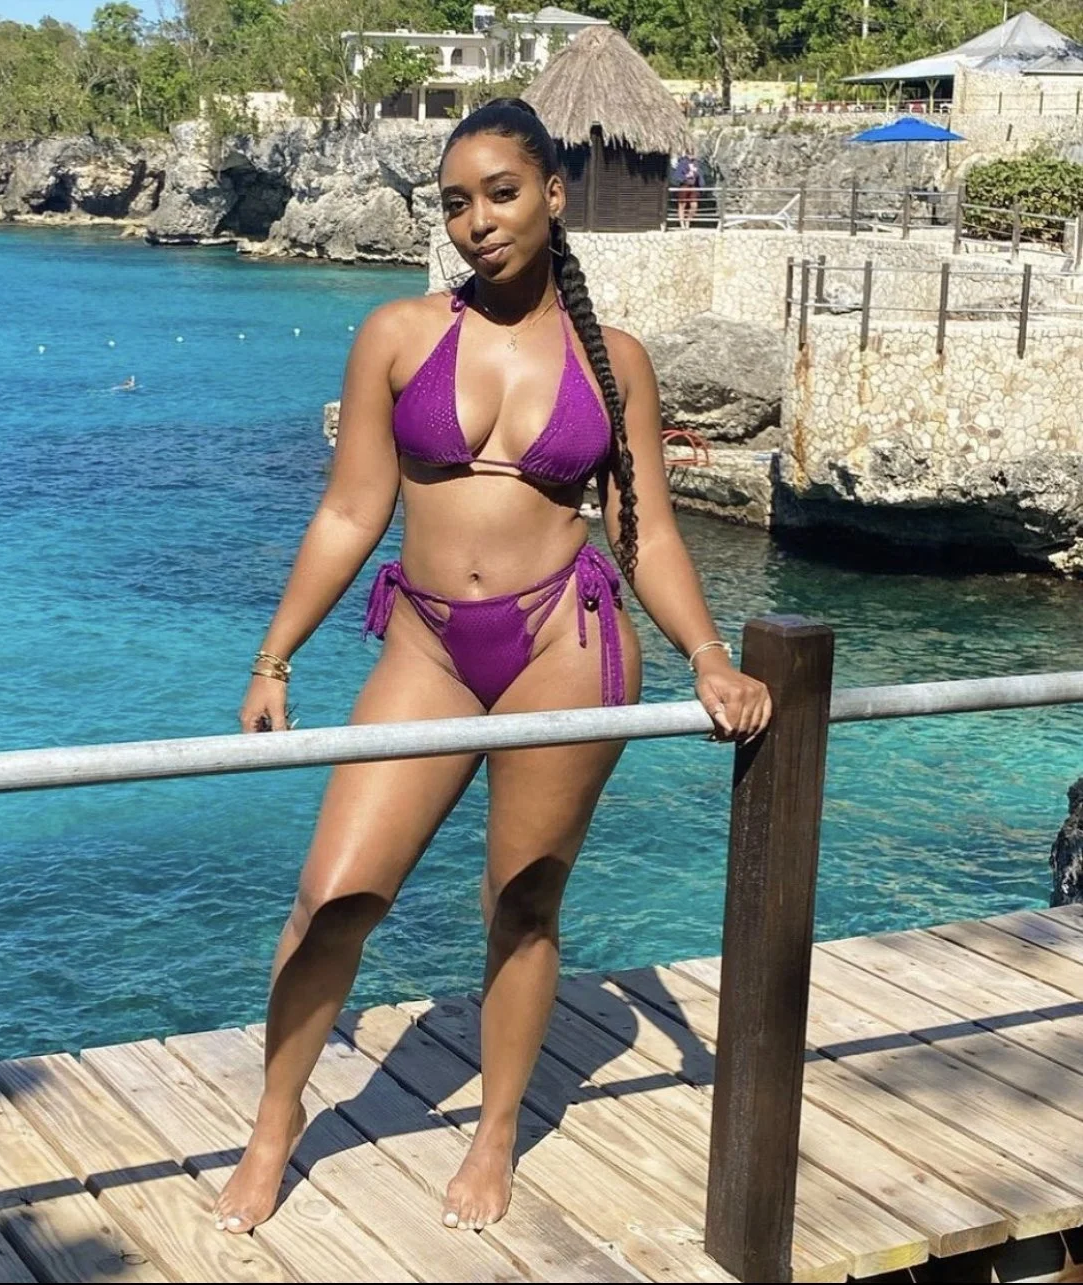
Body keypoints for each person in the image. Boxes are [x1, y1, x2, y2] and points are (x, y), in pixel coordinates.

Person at [216, 97, 771, 1237]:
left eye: (502, 194)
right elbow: (351, 510)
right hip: (426, 643)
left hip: (568, 640)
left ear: (553, 194)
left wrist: (708, 655)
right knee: (334, 896)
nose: (478, 221)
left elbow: (647, 536)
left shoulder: (617, 362)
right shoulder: (397, 334)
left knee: (521, 902)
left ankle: (495, 1129)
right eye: (456, 203)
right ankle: (274, 1124)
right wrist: (275, 656)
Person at [673, 153, 702, 228]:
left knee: (694, 205)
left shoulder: (696, 163)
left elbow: (699, 175)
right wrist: (685, 177)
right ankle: (682, 223)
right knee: (682, 205)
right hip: (684, 185)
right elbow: (677, 176)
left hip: (693, 186)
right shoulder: (682, 162)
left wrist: (700, 185)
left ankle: (688, 221)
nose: (693, 155)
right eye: (690, 153)